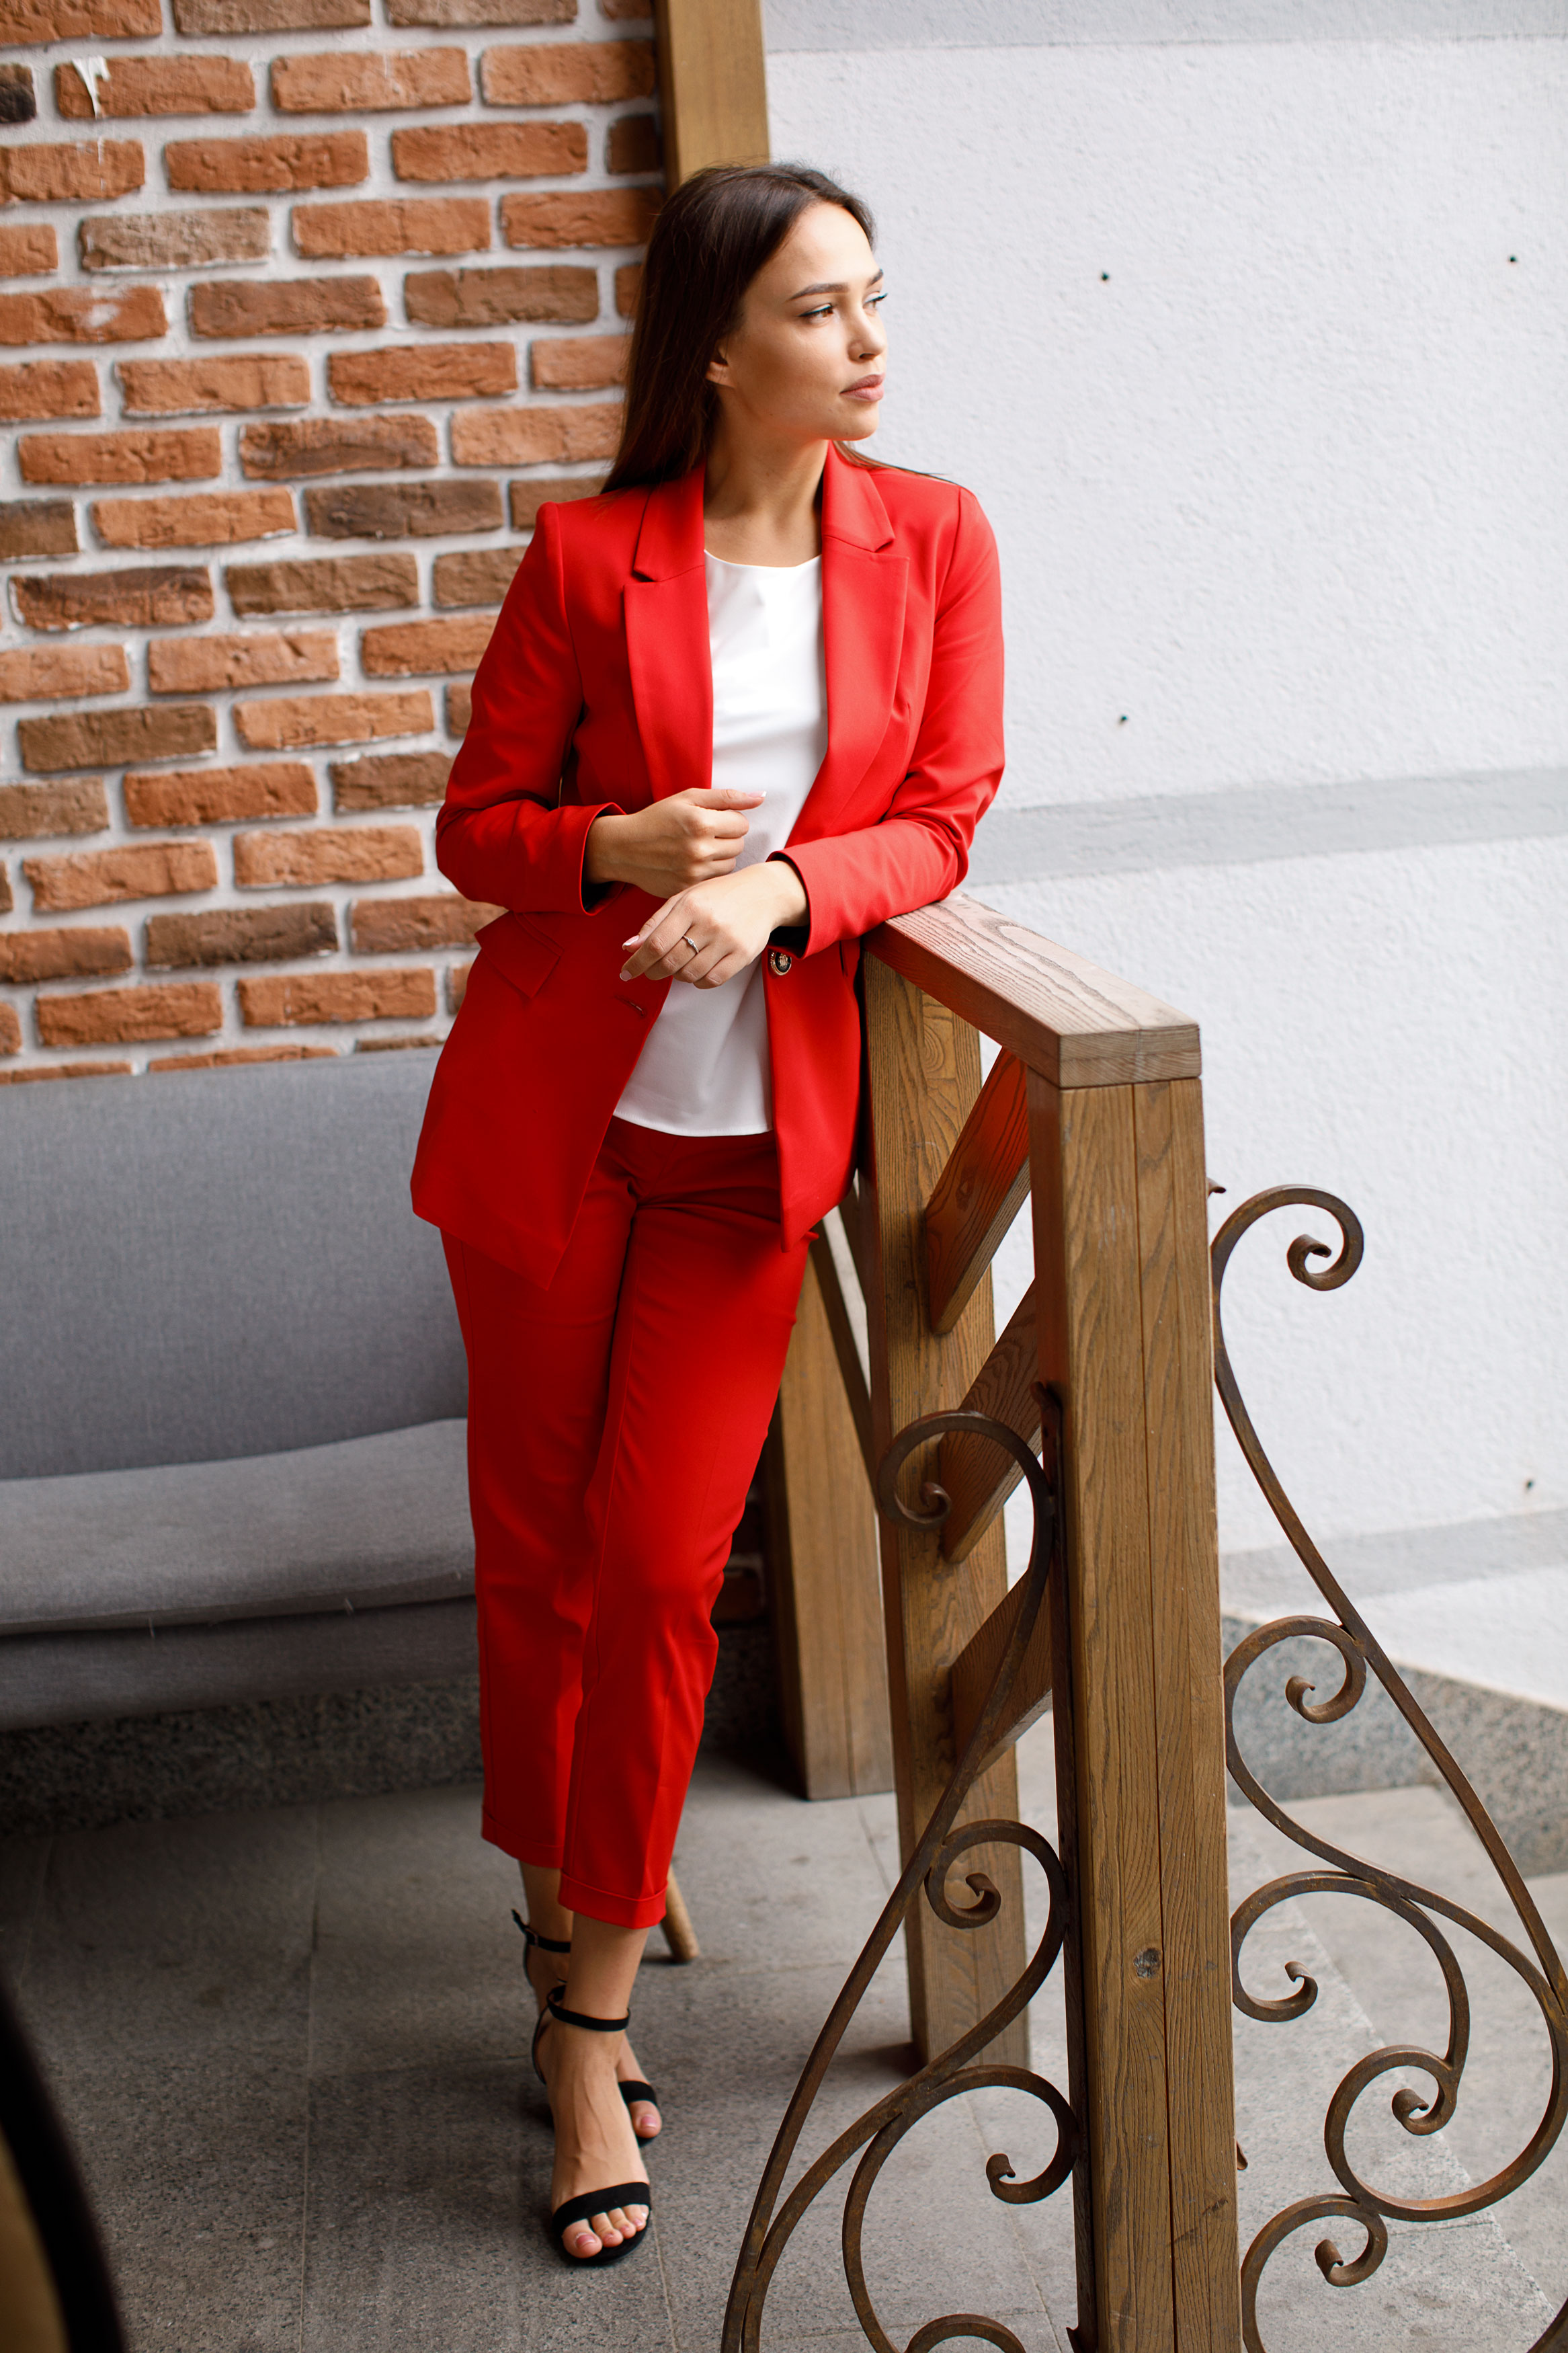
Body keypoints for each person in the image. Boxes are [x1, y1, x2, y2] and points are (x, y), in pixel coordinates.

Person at [411, 160, 1005, 2268]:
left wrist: (773, 889)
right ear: (721, 349)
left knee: (664, 1571)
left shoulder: (935, 537)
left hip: (752, 1158)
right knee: (541, 1566)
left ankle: (584, 2009)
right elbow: (474, 831)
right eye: (822, 311)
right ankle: (568, 1956)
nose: (869, 341)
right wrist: (614, 844)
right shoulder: (590, 559)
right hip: (557, 1136)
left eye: (874, 297)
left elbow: (943, 815)